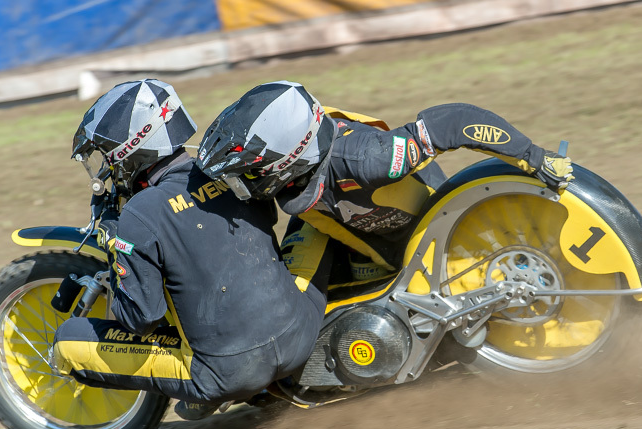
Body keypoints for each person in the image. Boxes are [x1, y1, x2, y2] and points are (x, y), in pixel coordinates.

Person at [52, 79, 326, 420]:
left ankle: (211, 390)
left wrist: (115, 244)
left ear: (131, 149)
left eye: (107, 155)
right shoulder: (229, 168)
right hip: (301, 334)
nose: (106, 166)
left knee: (66, 341)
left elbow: (141, 318)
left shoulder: (140, 213)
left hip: (231, 373)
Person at [197, 81, 574, 291]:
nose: (243, 184)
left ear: (287, 161)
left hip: (430, 248)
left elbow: (455, 122)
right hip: (364, 242)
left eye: (248, 173)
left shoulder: (366, 159)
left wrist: (534, 157)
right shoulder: (299, 171)